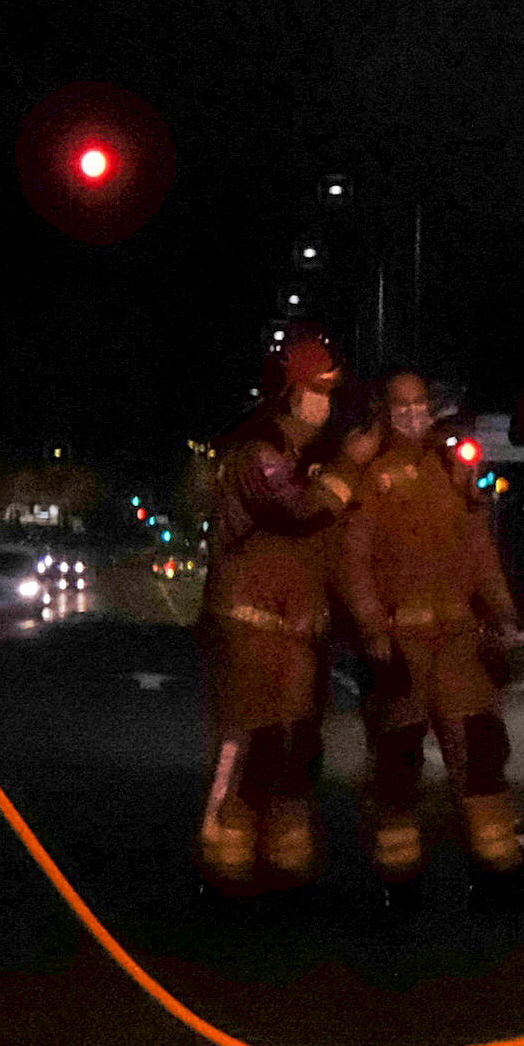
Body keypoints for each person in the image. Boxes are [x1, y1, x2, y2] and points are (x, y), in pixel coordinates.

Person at [343, 365, 524, 889]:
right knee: (398, 759)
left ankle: (495, 865)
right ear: (384, 413)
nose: (412, 416)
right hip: (401, 642)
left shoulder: (452, 470)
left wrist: (502, 611)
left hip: (457, 640)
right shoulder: (372, 476)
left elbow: (480, 551)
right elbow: (354, 560)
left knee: (480, 750)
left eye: (419, 405)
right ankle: (398, 873)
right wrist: (372, 627)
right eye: (401, 407)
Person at [200, 330, 357, 892]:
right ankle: (226, 844)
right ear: (290, 392)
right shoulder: (258, 454)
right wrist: (344, 476)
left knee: (293, 744)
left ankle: (278, 853)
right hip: (250, 624)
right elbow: (298, 513)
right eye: (317, 390)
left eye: (331, 392)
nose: (324, 403)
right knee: (248, 739)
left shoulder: (300, 456)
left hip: (295, 629)